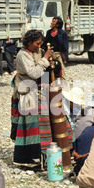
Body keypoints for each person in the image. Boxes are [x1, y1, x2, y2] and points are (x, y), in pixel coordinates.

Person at [11, 29, 62, 164]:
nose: (39, 46)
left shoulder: (37, 52)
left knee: (42, 123)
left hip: (38, 90)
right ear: (29, 43)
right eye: (37, 43)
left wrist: (53, 64)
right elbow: (34, 73)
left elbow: (44, 68)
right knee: (30, 125)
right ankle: (29, 156)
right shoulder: (23, 55)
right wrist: (45, 59)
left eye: (40, 44)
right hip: (26, 91)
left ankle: (43, 152)